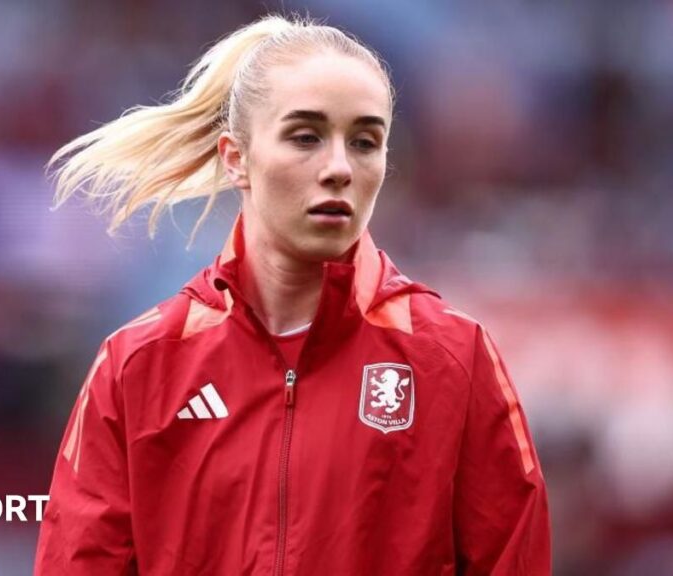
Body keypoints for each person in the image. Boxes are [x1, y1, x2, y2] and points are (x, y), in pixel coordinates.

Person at [34, 14, 551, 576]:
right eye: (306, 137)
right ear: (236, 158)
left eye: (365, 142)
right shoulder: (140, 364)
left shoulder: (451, 357)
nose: (339, 168)